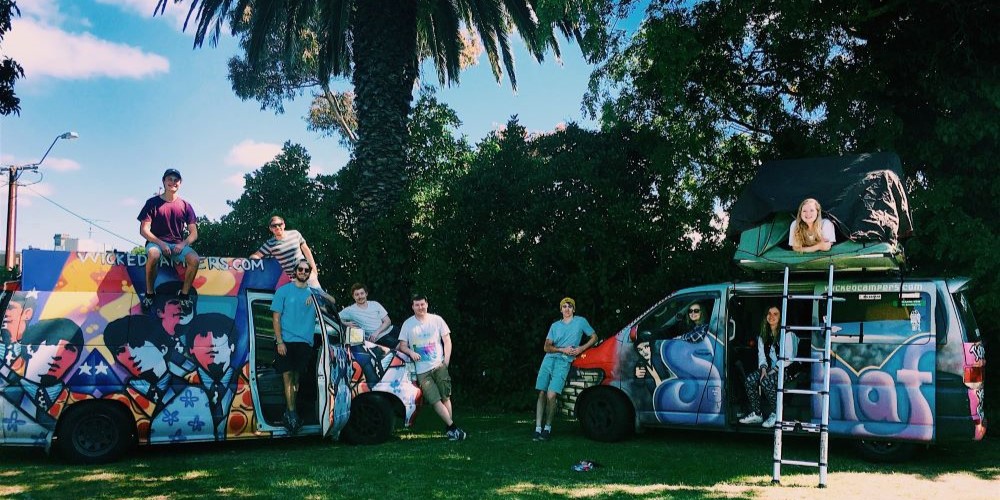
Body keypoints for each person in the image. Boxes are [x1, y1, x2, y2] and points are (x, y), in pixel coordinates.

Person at [396, 294, 466, 441]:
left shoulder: (437, 320)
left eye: (422, 304)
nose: (420, 307)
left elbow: (447, 340)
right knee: (434, 400)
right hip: (422, 372)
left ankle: (450, 428)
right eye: (417, 305)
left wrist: (445, 362)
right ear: (412, 307)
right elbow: (402, 345)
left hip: (439, 366)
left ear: (427, 304)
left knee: (446, 397)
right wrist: (411, 352)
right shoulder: (408, 324)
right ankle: (453, 428)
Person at [533, 297, 597, 441]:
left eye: (569, 306)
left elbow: (594, 337)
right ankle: (537, 428)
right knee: (542, 393)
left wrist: (581, 348)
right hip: (549, 359)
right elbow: (546, 347)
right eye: (564, 306)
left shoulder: (580, 321)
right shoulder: (555, 326)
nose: (567, 309)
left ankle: (547, 428)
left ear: (573, 309)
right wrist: (562, 349)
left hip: (563, 362)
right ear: (561, 309)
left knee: (551, 395)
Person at [138, 169, 200, 312]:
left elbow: (194, 233)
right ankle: (149, 293)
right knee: (153, 255)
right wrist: (160, 243)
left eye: (176, 180)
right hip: (156, 243)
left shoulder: (186, 205)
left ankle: (184, 295)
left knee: (195, 260)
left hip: (177, 245)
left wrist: (182, 244)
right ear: (164, 182)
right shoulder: (152, 203)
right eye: (169, 179)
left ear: (180, 183)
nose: (173, 182)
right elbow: (144, 230)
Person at [271, 260, 319, 434]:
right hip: (286, 342)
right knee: (288, 377)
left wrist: (316, 296)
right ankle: (291, 413)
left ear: (309, 273)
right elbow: (276, 318)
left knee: (296, 380)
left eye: (307, 270)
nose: (303, 272)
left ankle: (291, 410)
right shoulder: (283, 291)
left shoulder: (312, 293)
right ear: (295, 271)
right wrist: (279, 341)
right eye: (300, 269)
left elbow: (332, 301)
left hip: (304, 343)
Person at [739, 306, 798, 428]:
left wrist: (774, 370)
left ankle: (777, 413)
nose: (772, 316)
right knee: (750, 380)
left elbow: (789, 357)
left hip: (786, 369)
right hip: (770, 368)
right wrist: (764, 369)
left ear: (781, 317)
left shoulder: (787, 333)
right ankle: (757, 413)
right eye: (769, 313)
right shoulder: (763, 335)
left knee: (765, 381)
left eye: (775, 314)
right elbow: (761, 356)